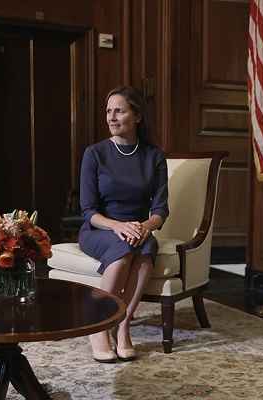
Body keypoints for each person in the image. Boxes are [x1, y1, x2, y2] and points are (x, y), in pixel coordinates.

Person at [78, 86, 169, 363]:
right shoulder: (95, 154)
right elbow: (88, 210)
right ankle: (99, 325)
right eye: (108, 111)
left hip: (138, 229)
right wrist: (117, 226)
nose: (111, 117)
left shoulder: (154, 156)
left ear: (137, 116)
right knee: (123, 252)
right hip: (100, 229)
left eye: (119, 110)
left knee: (145, 252)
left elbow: (161, 210)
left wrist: (145, 226)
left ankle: (124, 324)